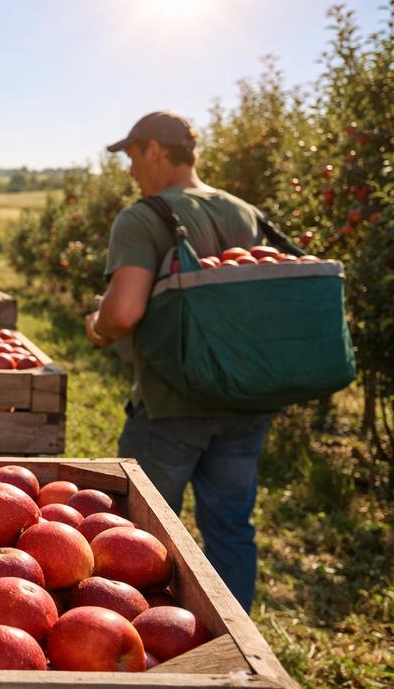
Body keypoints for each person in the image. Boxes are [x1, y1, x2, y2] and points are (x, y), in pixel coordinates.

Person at [84, 110, 272, 612]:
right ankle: (233, 641)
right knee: (231, 528)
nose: (130, 171)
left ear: (155, 151)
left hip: (170, 406)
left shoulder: (144, 217)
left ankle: (148, 634)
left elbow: (124, 312)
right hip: (244, 402)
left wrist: (96, 325)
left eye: (132, 156)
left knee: (135, 537)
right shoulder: (246, 214)